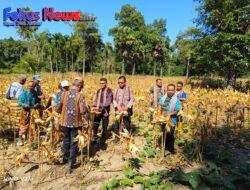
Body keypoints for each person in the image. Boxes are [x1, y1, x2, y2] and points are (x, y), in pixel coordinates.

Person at [57, 79, 87, 174]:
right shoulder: (80, 95)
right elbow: (82, 111)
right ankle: (70, 164)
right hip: (75, 123)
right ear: (78, 86)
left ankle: (64, 157)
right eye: (81, 87)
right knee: (74, 143)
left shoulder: (64, 93)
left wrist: (59, 112)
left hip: (64, 122)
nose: (81, 89)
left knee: (66, 140)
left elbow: (59, 107)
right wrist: (87, 113)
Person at [158, 83, 181, 154]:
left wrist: (168, 114)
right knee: (164, 133)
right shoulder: (163, 98)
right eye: (169, 90)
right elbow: (160, 107)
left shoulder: (177, 100)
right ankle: (163, 148)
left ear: (174, 91)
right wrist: (159, 115)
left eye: (172, 90)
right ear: (166, 90)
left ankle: (171, 149)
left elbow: (177, 110)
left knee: (171, 135)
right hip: (163, 120)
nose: (170, 91)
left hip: (172, 120)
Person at [17, 81, 39, 146]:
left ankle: (30, 139)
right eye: (29, 86)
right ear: (28, 86)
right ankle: (20, 139)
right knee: (24, 125)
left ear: (34, 87)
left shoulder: (35, 93)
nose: (30, 88)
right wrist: (24, 104)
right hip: (25, 112)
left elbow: (37, 101)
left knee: (32, 125)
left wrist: (37, 104)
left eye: (32, 86)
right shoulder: (24, 93)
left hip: (32, 111)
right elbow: (19, 102)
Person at [92, 78, 113, 146]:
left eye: (103, 83)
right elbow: (96, 100)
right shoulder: (98, 91)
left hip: (105, 111)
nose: (101, 84)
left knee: (104, 125)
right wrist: (93, 105)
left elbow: (108, 102)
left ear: (106, 83)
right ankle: (94, 137)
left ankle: (103, 140)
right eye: (100, 83)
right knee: (95, 124)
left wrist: (99, 106)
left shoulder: (109, 91)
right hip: (98, 111)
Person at [113, 76, 134, 143]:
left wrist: (127, 107)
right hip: (118, 109)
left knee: (127, 123)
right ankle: (117, 137)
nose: (120, 84)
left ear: (125, 82)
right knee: (117, 123)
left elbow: (132, 99)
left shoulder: (129, 89)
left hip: (126, 109)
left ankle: (127, 136)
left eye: (122, 82)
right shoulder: (116, 90)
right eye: (119, 82)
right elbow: (113, 99)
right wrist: (117, 106)